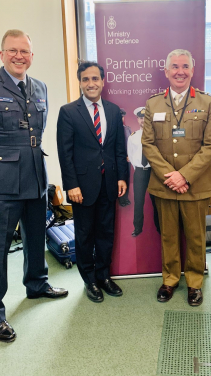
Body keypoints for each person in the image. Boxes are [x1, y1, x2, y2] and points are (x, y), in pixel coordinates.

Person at [0, 29, 68, 343]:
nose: (19, 56)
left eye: (25, 51)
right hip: (1, 184)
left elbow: (38, 131)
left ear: (31, 56)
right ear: (2, 54)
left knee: (36, 236)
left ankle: (37, 284)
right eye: (13, 51)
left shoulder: (40, 86)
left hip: (35, 176)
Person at [142, 49, 211, 306]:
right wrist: (170, 176)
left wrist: (184, 176)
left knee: (196, 236)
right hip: (165, 185)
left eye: (185, 66)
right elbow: (148, 144)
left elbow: (210, 146)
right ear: (166, 71)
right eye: (174, 66)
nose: (180, 71)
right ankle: (171, 278)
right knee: (169, 235)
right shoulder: (153, 104)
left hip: (195, 184)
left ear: (192, 70)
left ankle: (195, 282)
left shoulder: (208, 103)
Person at [57, 61, 127, 303]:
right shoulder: (68, 112)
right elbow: (64, 154)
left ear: (103, 81)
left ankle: (104, 276)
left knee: (106, 233)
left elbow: (119, 149)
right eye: (85, 79)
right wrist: (71, 185)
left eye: (95, 79)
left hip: (109, 184)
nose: (91, 83)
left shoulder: (113, 110)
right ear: (80, 83)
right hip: (82, 188)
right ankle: (89, 280)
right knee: (85, 235)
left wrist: (121, 177)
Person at [127, 107, 160, 237]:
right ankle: (138, 228)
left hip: (154, 172)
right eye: (141, 118)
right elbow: (131, 155)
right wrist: (139, 169)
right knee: (138, 201)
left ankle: (159, 227)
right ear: (137, 119)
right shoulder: (133, 137)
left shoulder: (157, 136)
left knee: (156, 201)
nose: (143, 120)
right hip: (140, 172)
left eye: (146, 118)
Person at [118, 108, 131, 207]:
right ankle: (119, 199)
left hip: (127, 158)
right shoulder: (111, 129)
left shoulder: (127, 129)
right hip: (117, 158)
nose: (121, 118)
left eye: (122, 116)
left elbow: (130, 144)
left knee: (126, 178)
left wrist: (129, 155)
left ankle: (124, 199)